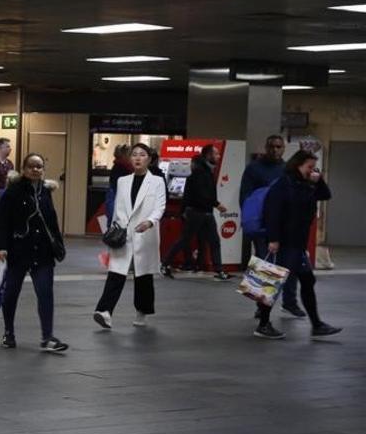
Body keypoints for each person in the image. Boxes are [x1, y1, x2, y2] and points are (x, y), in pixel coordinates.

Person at [253, 150, 340, 339]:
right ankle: (263, 324)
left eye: (313, 168)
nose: (312, 171)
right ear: (297, 165)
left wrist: (319, 179)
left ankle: (316, 324)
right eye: (309, 167)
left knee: (303, 281)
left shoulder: (305, 184)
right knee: (271, 282)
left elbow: (325, 195)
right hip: (284, 242)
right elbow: (272, 212)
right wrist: (273, 239)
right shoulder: (283, 184)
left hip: (297, 243)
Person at [0, 153, 68, 352]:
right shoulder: (13, 192)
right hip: (18, 250)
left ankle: (48, 337)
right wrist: (1, 247)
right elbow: (2, 222)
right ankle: (9, 332)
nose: (36, 169)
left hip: (42, 251)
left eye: (39, 166)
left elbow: (51, 220)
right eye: (32, 166)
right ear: (24, 169)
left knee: (45, 293)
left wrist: (58, 243)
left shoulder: (45, 192)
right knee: (11, 293)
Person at [94, 143, 167, 329]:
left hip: (145, 233)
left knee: (143, 276)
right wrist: (114, 230)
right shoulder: (123, 181)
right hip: (124, 234)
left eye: (142, 155)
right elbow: (118, 208)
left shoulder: (157, 181)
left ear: (149, 159)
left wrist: (150, 221)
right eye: (134, 154)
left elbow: (160, 206)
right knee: (116, 272)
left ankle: (142, 312)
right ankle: (104, 311)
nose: (137, 158)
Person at [241, 134, 301, 317]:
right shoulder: (254, 169)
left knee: (289, 265)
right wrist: (251, 224)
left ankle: (290, 302)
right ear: (266, 148)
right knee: (264, 267)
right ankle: (262, 308)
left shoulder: (287, 169)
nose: (275, 150)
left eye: (279, 147)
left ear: (283, 148)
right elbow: (245, 198)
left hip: (284, 226)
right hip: (262, 228)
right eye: (272, 146)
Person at [162, 144, 232, 280]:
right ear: (208, 155)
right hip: (198, 212)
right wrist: (216, 204)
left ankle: (219, 270)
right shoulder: (201, 173)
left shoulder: (205, 171)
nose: (218, 156)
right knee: (186, 239)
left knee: (213, 241)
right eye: (216, 154)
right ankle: (165, 263)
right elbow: (201, 194)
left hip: (205, 212)